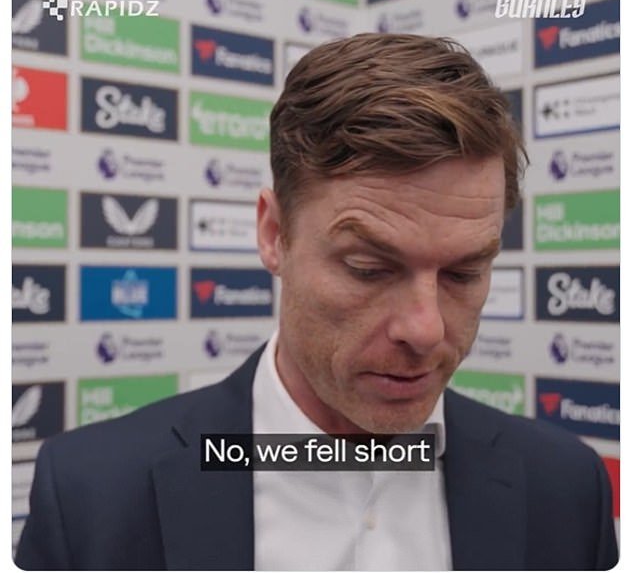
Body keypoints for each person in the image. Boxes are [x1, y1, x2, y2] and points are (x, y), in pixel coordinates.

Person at [16, 34, 618, 570]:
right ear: (274, 234)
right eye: (368, 269)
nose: (426, 329)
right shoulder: (91, 496)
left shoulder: (567, 490)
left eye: (464, 273)